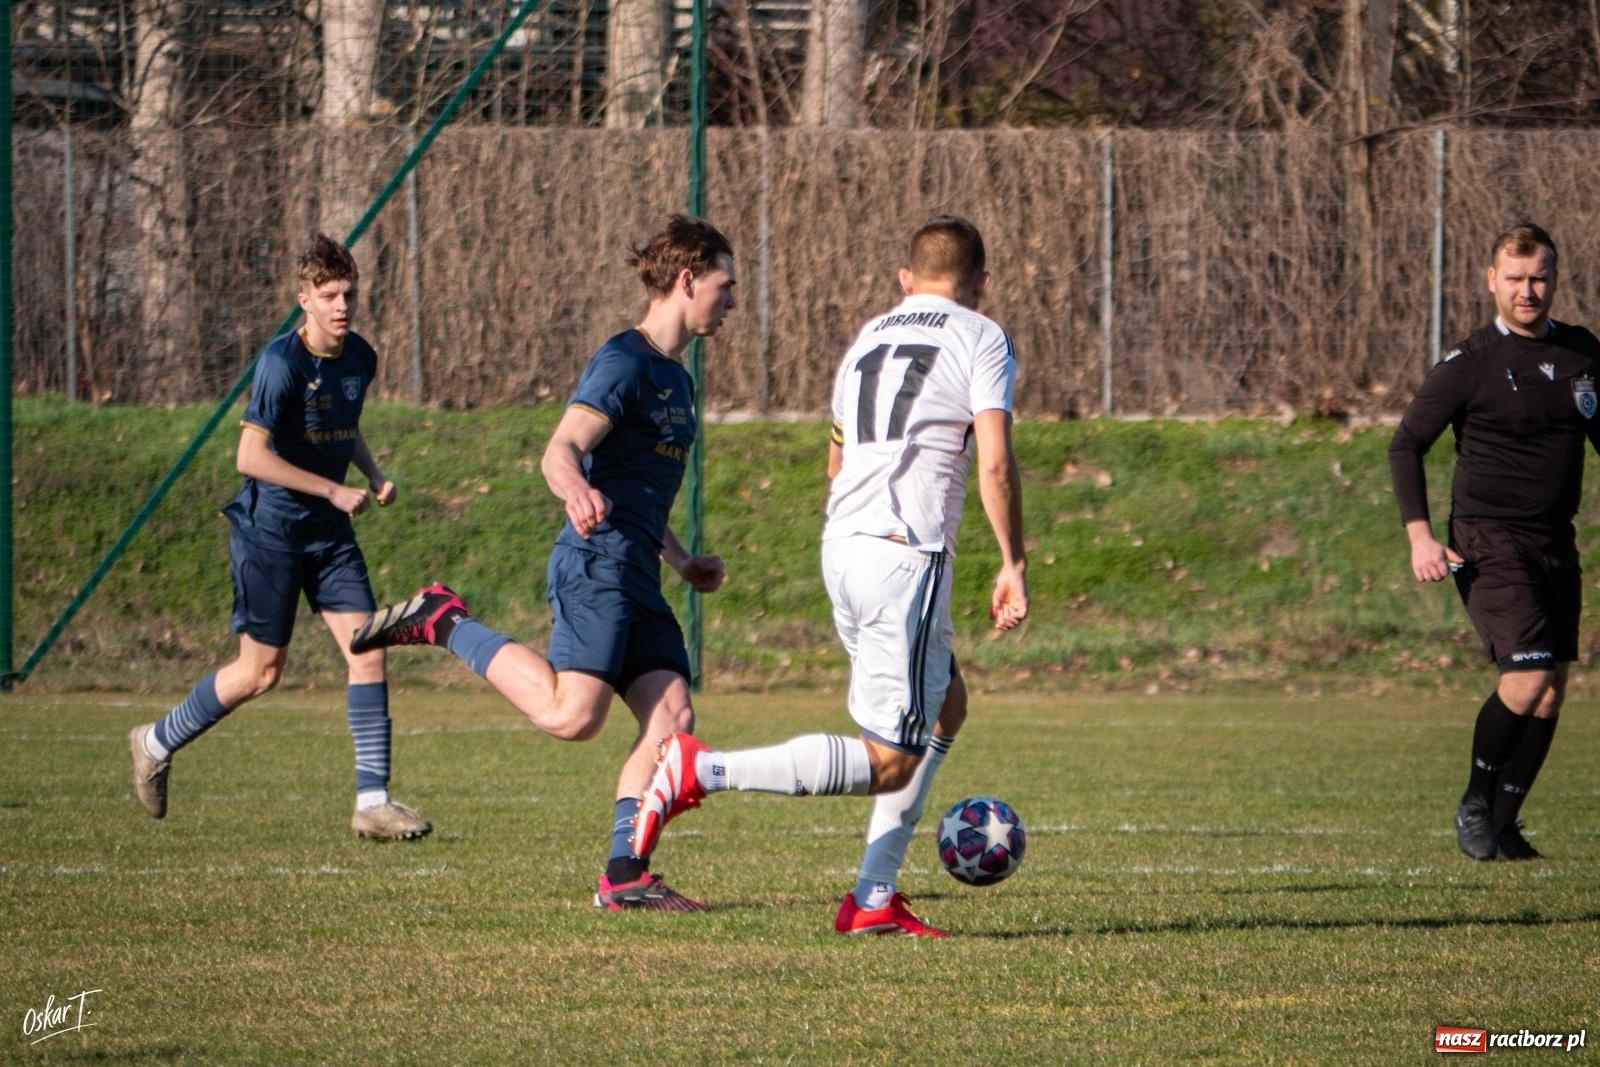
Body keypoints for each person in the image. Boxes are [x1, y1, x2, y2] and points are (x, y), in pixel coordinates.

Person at [632, 214, 1029, 936]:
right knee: (890, 759)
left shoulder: (868, 339)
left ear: (906, 280)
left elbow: (836, 459)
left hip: (843, 542)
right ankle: (701, 770)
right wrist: (1014, 563)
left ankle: (874, 896)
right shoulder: (982, 335)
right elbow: (996, 460)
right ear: (981, 284)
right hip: (903, 554)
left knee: (947, 705)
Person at [349, 214, 736, 910]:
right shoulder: (624, 360)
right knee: (571, 716)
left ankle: (625, 875)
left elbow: (641, 493)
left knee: (672, 721)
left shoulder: (677, 382)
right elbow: (559, 450)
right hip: (596, 563)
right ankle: (443, 620)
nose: (732, 299)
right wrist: (576, 487)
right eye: (724, 284)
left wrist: (680, 561)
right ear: (688, 279)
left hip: (639, 571)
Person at [129, 234, 430, 841]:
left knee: (367, 647)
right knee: (260, 673)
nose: (342, 305)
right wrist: (330, 490)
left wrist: (370, 475)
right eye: (328, 295)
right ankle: (155, 740)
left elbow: (343, 426)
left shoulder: (360, 357)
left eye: (348, 293)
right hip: (270, 534)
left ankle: (372, 802)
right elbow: (249, 456)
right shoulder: (279, 364)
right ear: (304, 301)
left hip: (330, 534)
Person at [1389, 221, 1600, 862]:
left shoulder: (1583, 354)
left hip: (1553, 542)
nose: (1528, 290)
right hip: (1487, 540)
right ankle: (1477, 802)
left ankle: (1505, 825)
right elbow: (1406, 446)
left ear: (1554, 279)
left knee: (1553, 686)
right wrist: (1420, 537)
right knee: (1527, 674)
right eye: (1515, 278)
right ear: (1492, 281)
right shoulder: (1468, 364)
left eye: (1539, 277)